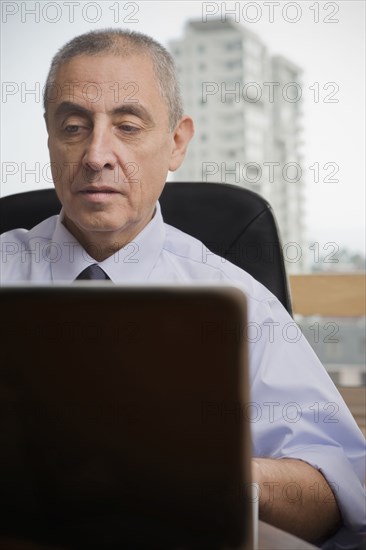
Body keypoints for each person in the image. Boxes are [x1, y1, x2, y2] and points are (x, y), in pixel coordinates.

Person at [0, 29, 365, 547]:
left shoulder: (241, 302)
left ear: (176, 143)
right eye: (74, 126)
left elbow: (338, 493)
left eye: (127, 126)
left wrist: (212, 479)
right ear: (50, 138)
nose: (97, 153)